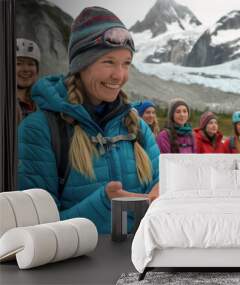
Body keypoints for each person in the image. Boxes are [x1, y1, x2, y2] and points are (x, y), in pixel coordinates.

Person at [18, 6, 160, 234]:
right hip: (76, 268)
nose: (119, 75)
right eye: (108, 62)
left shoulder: (137, 127)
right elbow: (33, 233)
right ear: (81, 65)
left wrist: (164, 193)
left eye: (126, 63)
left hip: (141, 262)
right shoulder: (40, 130)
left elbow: (161, 187)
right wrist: (105, 205)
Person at [16, 38, 41, 123]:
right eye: (18, 63)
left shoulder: (42, 103)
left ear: (37, 70)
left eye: (31, 64)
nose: (26, 69)